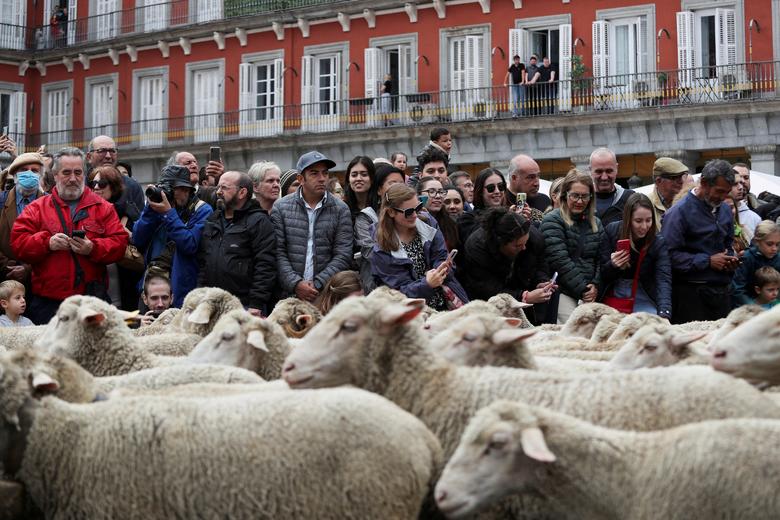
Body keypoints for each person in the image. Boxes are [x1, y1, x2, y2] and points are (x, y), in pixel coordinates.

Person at [11, 147, 128, 324]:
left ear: (84, 174)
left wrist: (93, 248)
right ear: (55, 175)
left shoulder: (103, 208)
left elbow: (120, 245)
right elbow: (18, 245)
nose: (73, 178)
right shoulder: (36, 208)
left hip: (91, 302)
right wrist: (47, 243)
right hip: (48, 305)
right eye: (66, 172)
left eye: (78, 172)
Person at [270, 151, 353, 303]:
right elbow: (277, 252)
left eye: (325, 173)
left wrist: (318, 284)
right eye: (314, 173)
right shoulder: (281, 207)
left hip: (326, 295)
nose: (322, 179)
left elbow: (343, 254)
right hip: (288, 295)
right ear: (300, 179)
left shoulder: (341, 209)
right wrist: (296, 284)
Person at [662, 159, 738, 323]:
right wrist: (708, 261)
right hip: (691, 296)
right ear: (704, 183)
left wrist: (730, 259)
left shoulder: (725, 209)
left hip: (721, 293)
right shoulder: (679, 212)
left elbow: (728, 244)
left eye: (726, 192)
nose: (723, 197)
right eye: (719, 191)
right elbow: (669, 256)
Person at [370, 184, 468, 309]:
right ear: (391, 212)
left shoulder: (428, 222)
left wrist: (442, 269)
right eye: (409, 212)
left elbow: (441, 256)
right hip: (411, 310)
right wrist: (427, 284)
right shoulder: (381, 248)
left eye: (418, 207)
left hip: (446, 300)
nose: (415, 215)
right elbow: (399, 292)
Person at [133, 164, 213, 308]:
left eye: (171, 189)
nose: (166, 194)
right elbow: (137, 239)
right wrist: (149, 211)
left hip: (181, 293)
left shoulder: (202, 210)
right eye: (164, 188)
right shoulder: (156, 209)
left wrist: (169, 214)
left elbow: (190, 244)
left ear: (186, 190)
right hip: (151, 289)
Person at [199, 171, 277, 316]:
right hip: (212, 304)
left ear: (242, 192)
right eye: (218, 188)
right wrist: (200, 296)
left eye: (224, 188)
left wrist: (256, 304)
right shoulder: (212, 220)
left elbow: (266, 265)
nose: (218, 192)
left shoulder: (258, 221)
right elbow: (204, 262)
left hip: (245, 306)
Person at [460, 207, 554, 323]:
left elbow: (540, 264)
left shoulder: (534, 238)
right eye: (517, 246)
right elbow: (486, 287)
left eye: (525, 243)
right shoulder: (477, 247)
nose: (524, 247)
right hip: (487, 305)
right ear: (501, 243)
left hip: (524, 296)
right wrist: (525, 297)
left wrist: (541, 281)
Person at [541, 169, 604, 324]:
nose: (580, 201)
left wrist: (595, 285)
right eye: (575, 195)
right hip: (564, 292)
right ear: (565, 195)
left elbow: (601, 258)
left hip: (591, 293)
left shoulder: (596, 223)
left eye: (585, 196)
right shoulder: (552, 220)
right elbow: (559, 260)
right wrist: (584, 289)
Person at [598, 193, 672, 319]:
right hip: (614, 295)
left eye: (648, 220)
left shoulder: (657, 241)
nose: (644, 226)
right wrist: (613, 265)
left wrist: (664, 312)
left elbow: (663, 279)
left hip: (644, 294)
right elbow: (601, 274)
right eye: (638, 221)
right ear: (628, 219)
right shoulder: (612, 231)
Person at [90, 165, 142, 311]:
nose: (96, 187)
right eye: (93, 183)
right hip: (99, 284)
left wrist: (125, 234)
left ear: (113, 186)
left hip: (126, 278)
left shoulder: (130, 212)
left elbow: (142, 242)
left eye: (101, 183)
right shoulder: (88, 211)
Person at [354, 164, 406, 292]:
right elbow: (370, 252)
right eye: (392, 183)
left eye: (401, 184)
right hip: (377, 286)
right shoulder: (366, 217)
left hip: (409, 283)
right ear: (379, 190)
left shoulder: (412, 215)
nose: (398, 188)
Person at [0, 152, 45, 285]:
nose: (30, 174)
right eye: (24, 170)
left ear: (40, 176)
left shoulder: (51, 203)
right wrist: (7, 265)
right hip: (4, 279)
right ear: (14, 176)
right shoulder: (1, 201)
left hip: (38, 279)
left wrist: (27, 268)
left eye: (34, 171)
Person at [86, 135, 145, 220]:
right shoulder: (81, 186)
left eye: (112, 151)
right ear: (89, 157)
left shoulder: (132, 186)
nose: (108, 156)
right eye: (102, 151)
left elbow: (141, 223)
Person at [730, 220, 780, 307]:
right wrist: (754, 308)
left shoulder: (778, 259)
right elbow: (738, 289)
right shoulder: (747, 258)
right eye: (769, 244)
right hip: (749, 308)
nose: (774, 249)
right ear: (757, 241)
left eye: (777, 244)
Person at [457, 167, 506, 244]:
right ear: (480, 192)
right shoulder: (467, 219)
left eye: (501, 186)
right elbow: (476, 242)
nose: (497, 191)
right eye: (491, 188)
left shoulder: (511, 213)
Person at [590, 147, 634, 226]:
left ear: (617, 169)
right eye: (599, 172)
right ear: (590, 170)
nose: (604, 177)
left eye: (609, 171)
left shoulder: (630, 199)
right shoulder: (581, 201)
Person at [505, 154, 550, 224]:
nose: (536, 183)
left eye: (538, 176)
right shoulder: (501, 202)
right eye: (530, 177)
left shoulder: (544, 200)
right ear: (514, 178)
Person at [418, 176, 458, 251]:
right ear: (419, 195)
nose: (438, 196)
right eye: (431, 192)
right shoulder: (411, 222)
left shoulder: (451, 224)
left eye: (441, 192)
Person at [649, 157, 688, 228]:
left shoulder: (686, 202)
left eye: (682, 176)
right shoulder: (646, 204)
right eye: (675, 177)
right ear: (658, 181)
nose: (681, 181)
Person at [344, 156, 378, 221]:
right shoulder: (342, 208)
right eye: (354, 175)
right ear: (348, 179)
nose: (359, 179)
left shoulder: (381, 207)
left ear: (372, 179)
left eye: (364, 174)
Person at [729, 167, 761, 237]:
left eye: (740, 183)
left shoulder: (754, 218)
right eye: (735, 184)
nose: (741, 187)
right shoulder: (712, 215)